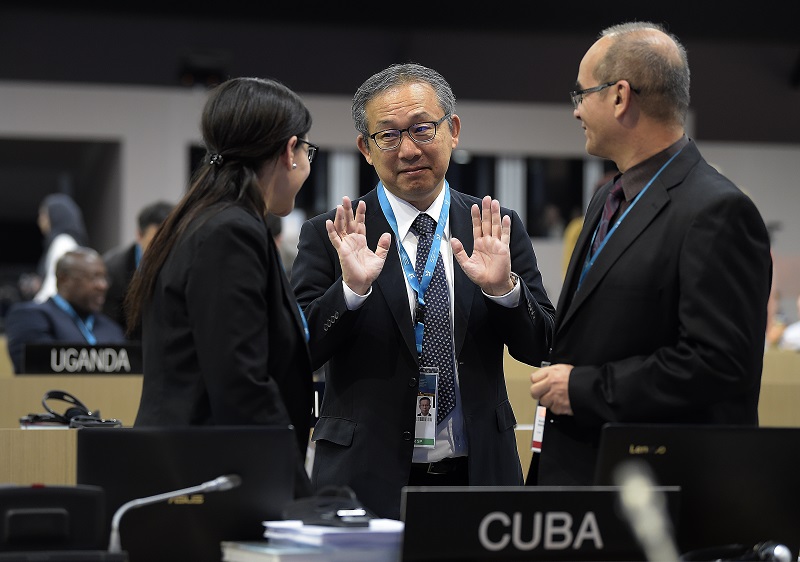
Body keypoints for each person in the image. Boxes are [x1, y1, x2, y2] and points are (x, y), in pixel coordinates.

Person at [291, 62, 555, 519]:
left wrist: (503, 291)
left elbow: (542, 344)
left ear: (453, 130)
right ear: (365, 149)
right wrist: (351, 291)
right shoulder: (333, 233)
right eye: (388, 135)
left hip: (479, 474)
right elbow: (298, 352)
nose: (409, 149)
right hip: (364, 477)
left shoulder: (493, 227)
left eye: (423, 129)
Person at [527, 22, 773, 486]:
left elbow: (718, 363)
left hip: (652, 490)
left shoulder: (718, 210)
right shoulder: (608, 198)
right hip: (581, 476)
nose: (576, 111)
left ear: (620, 97)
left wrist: (581, 388)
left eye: (581, 94)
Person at [124, 77, 317, 496]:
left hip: (196, 471)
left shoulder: (212, 219)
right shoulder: (230, 231)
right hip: (206, 480)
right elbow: (241, 382)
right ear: (290, 151)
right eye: (308, 150)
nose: (307, 163)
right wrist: (298, 491)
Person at [5, 247, 126, 373]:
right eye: (93, 277)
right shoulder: (30, 317)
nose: (103, 285)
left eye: (104, 278)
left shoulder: (112, 328)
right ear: (64, 279)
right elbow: (39, 369)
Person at [102, 200, 173, 338]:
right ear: (139, 235)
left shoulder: (181, 263)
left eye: (170, 238)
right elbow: (110, 327)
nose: (164, 246)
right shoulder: (114, 269)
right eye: (157, 239)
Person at [30, 193, 90, 303]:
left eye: (43, 215)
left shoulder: (63, 243)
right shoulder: (65, 242)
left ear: (56, 216)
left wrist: (35, 309)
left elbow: (52, 288)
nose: (40, 221)